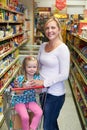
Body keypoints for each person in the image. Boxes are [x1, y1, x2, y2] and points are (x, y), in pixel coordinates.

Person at [29, 16, 70, 130]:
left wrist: (43, 83)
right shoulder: (43, 46)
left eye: (53, 27)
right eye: (47, 28)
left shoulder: (63, 49)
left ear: (59, 30)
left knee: (47, 125)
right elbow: (38, 66)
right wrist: (33, 82)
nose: (49, 31)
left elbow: (64, 74)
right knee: (50, 122)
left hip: (55, 94)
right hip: (43, 91)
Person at [11, 56, 43, 130]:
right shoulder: (20, 78)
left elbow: (39, 92)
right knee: (25, 117)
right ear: (25, 67)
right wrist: (23, 86)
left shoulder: (37, 78)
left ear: (37, 67)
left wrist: (36, 88)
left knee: (39, 112)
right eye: (29, 67)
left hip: (31, 100)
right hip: (19, 101)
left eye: (34, 67)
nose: (32, 69)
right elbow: (18, 93)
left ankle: (32, 128)